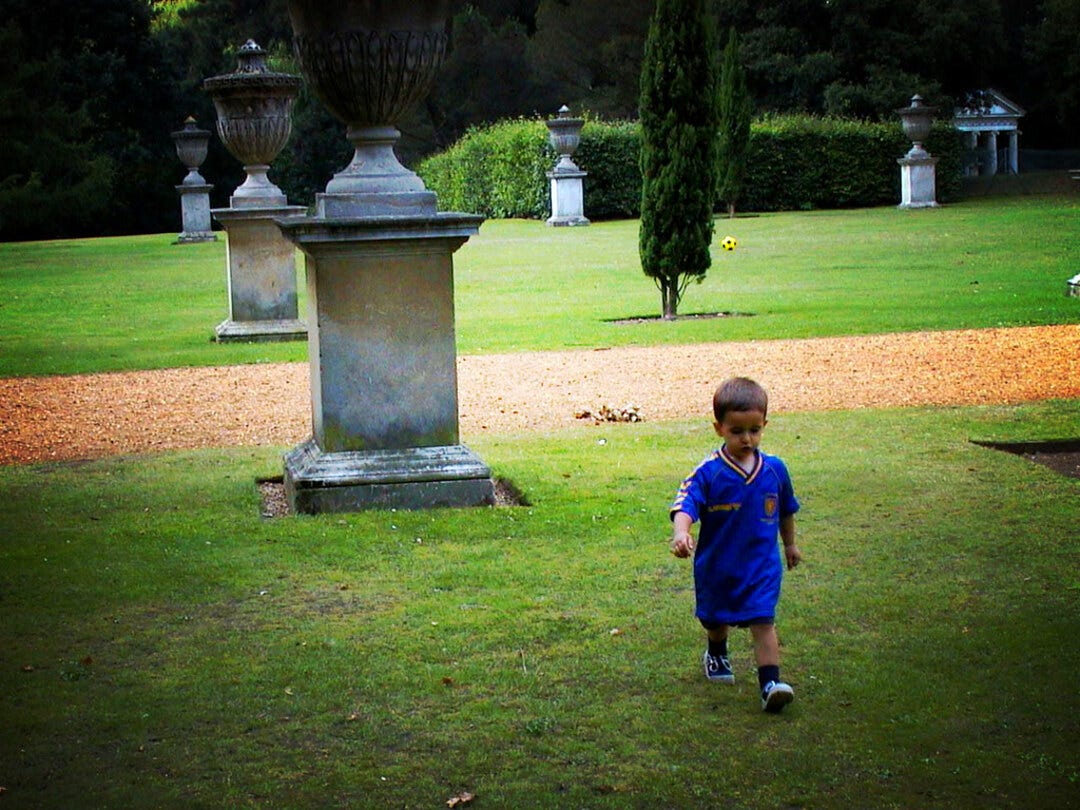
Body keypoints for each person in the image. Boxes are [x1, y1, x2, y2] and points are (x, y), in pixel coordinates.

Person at [669, 376, 802, 713]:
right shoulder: (709, 472)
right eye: (737, 431)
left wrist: (789, 545)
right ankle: (716, 650)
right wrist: (681, 532)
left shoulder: (775, 470)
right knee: (714, 619)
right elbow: (686, 504)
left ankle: (769, 683)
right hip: (718, 566)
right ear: (719, 429)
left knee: (763, 620)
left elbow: (786, 510)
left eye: (755, 430)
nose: (747, 439)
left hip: (761, 566)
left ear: (765, 425)